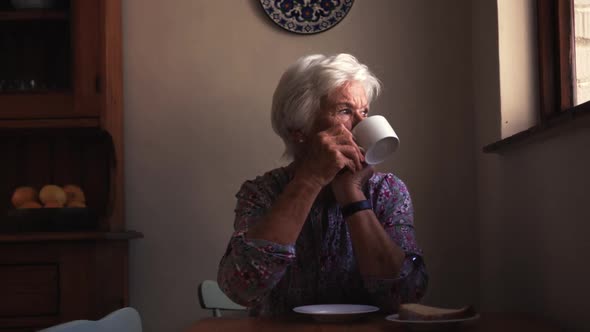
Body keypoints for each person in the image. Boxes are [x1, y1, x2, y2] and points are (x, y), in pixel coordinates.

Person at [217, 54, 428, 316]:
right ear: (300, 130)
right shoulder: (262, 193)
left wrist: (353, 196)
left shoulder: (387, 191)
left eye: (364, 111)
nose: (362, 124)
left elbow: (407, 292)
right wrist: (311, 178)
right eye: (345, 111)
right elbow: (241, 287)